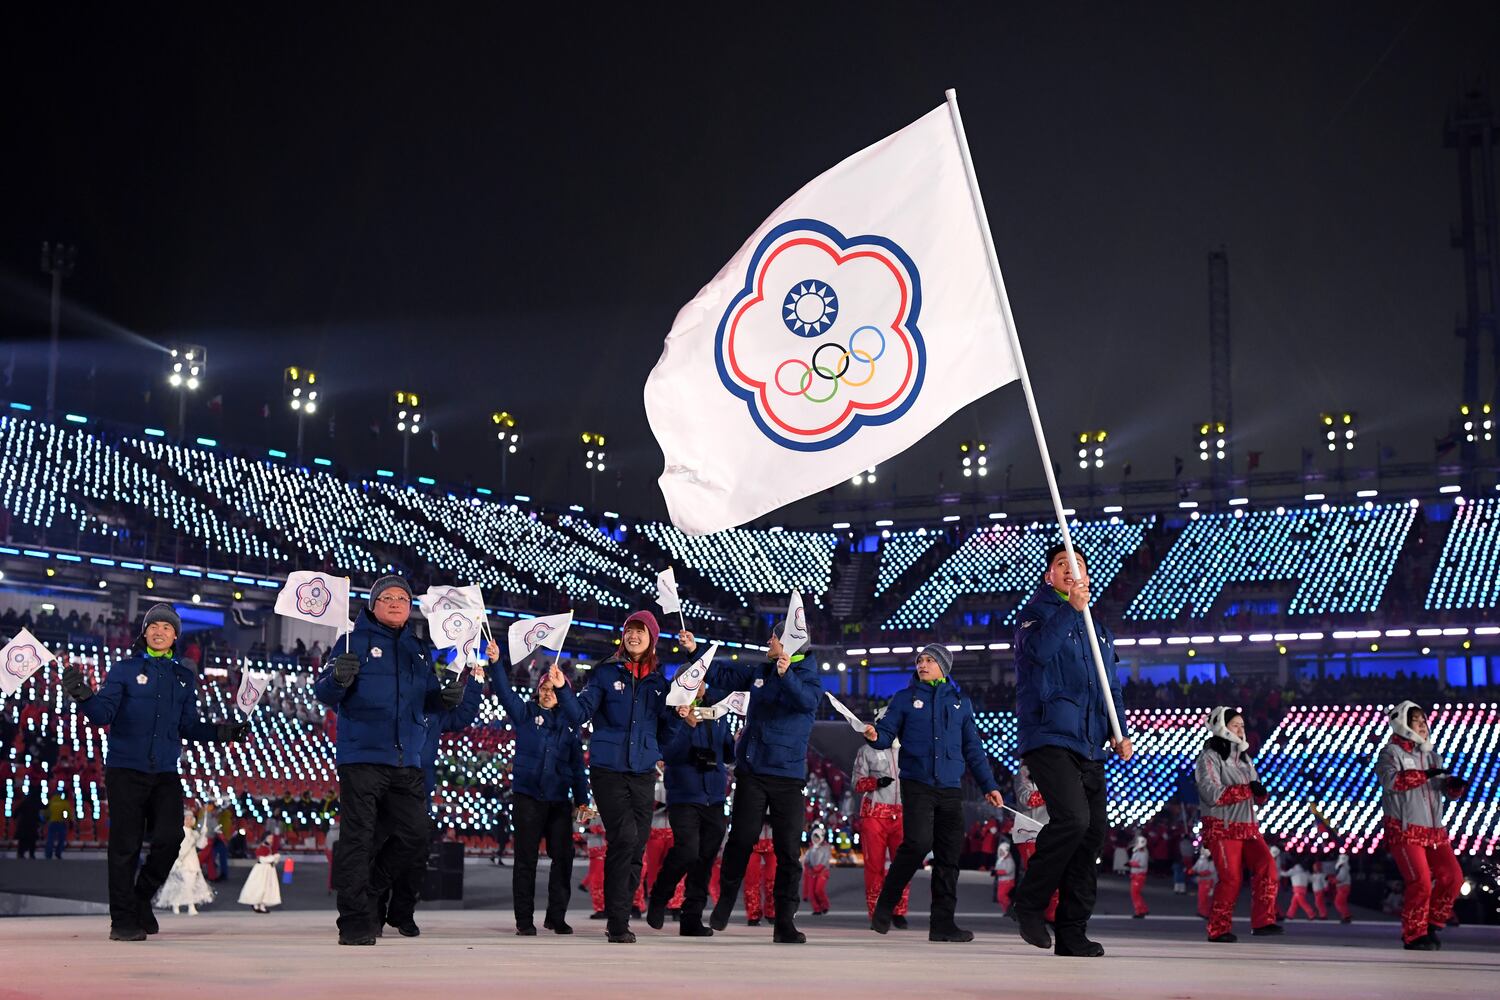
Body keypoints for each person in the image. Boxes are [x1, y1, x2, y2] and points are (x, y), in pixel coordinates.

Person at [62, 603, 249, 941]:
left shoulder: (183, 677)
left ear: (176, 635)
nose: (159, 631)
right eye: (153, 626)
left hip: (164, 771)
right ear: (144, 632)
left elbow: (189, 725)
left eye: (167, 626)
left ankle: (140, 897)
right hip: (125, 769)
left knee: (171, 838)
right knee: (125, 846)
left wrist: (224, 732)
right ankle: (122, 921)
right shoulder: (124, 670)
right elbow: (102, 714)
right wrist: (83, 695)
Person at [313, 575, 463, 946]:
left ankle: (369, 894)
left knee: (416, 835)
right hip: (362, 755)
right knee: (357, 840)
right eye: (388, 597)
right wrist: (338, 679)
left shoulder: (417, 648)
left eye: (402, 598)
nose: (396, 603)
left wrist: (443, 699)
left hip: (406, 758)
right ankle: (353, 921)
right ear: (373, 604)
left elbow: (427, 697)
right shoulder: (352, 641)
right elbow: (324, 692)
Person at [1010, 544, 1132, 958]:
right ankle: (1028, 903)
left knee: (1093, 834)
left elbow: (1110, 684)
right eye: (1061, 564)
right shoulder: (1036, 613)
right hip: (1048, 733)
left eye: (1076, 564)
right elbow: (1038, 654)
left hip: (1090, 740)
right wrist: (1068, 610)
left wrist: (1120, 730)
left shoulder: (1097, 628)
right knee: (1074, 819)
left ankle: (1072, 931)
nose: (1069, 569)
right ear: (1049, 576)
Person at [862, 644, 1004, 942]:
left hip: (950, 787)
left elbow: (973, 749)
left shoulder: (960, 703)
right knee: (917, 844)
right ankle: (885, 906)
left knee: (949, 856)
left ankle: (942, 924)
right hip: (918, 785)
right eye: (920, 660)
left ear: (943, 666)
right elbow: (885, 733)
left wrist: (989, 785)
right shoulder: (903, 699)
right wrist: (875, 735)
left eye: (929, 660)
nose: (922, 664)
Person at [553, 610, 676, 943]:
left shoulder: (660, 684)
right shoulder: (606, 674)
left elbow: (667, 731)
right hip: (608, 770)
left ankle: (619, 914)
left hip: (642, 772)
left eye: (641, 631)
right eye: (629, 630)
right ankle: (618, 921)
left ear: (652, 639)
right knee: (624, 838)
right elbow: (580, 714)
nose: (634, 636)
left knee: (635, 846)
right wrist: (564, 688)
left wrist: (678, 719)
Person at [701, 618, 821, 944]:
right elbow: (724, 674)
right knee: (740, 839)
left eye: (774, 637)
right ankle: (726, 901)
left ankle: (784, 922)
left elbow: (806, 702)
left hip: (788, 777)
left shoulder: (810, 678)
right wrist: (694, 651)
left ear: (790, 643)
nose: (769, 641)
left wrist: (786, 675)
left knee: (787, 852)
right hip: (752, 771)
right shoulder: (759, 671)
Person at [373, 647, 485, 938]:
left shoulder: (434, 713)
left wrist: (475, 679)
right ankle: (374, 912)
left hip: (419, 789)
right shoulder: (391, 705)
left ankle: (402, 913)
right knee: (380, 850)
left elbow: (464, 716)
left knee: (416, 854)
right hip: (384, 785)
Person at [493, 652, 590, 936]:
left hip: (559, 799)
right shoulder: (525, 714)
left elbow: (576, 767)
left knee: (564, 857)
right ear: (537, 692)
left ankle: (556, 917)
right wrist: (496, 663)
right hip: (528, 797)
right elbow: (502, 691)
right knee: (526, 859)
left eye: (552, 689)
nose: (547, 693)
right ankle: (524, 920)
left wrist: (582, 799)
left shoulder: (571, 726)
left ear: (562, 694)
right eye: (543, 688)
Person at [1375, 701, 1467, 951]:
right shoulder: (1390, 753)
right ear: (1403, 724)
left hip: (1435, 831)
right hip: (1404, 829)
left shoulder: (1432, 756)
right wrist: (1425, 775)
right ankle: (1414, 935)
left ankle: (1432, 924)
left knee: (1453, 877)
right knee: (1421, 882)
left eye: (1424, 721)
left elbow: (1442, 790)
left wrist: (1453, 786)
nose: (1424, 726)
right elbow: (1391, 781)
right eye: (1417, 722)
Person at [646, 694, 737, 937]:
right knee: (687, 851)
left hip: (715, 797)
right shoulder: (671, 713)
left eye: (702, 679)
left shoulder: (718, 711)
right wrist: (684, 725)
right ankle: (659, 897)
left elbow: (728, 755)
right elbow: (666, 752)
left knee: (705, 859)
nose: (698, 685)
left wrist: (737, 743)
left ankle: (692, 918)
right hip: (685, 795)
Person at [1195, 707, 1280, 942]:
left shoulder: (1245, 758)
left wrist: (1261, 795)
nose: (1241, 730)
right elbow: (1210, 793)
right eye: (1235, 725)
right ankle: (1218, 929)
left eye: (1243, 725)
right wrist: (1247, 790)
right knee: (1231, 879)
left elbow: (1256, 794)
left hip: (1248, 826)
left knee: (1268, 868)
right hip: (1222, 826)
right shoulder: (1208, 757)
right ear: (1222, 727)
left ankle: (1264, 921)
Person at [852, 723, 909, 927]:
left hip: (902, 814)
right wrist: (875, 782)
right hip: (875, 814)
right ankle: (876, 912)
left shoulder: (908, 749)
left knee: (902, 864)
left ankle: (899, 911)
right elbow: (856, 782)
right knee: (874, 866)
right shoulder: (866, 750)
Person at [1012, 763, 1057, 922]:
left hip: (1052, 830)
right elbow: (1028, 799)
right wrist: (1058, 788)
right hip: (1029, 831)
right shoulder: (1025, 771)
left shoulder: (1062, 769)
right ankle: (1027, 910)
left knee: (1056, 873)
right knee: (1036, 873)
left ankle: (1052, 914)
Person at [154, 810, 213, 915]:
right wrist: (177, 859)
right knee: (185, 885)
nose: (189, 821)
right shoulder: (179, 832)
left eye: (191, 819)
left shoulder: (194, 833)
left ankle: (178, 903)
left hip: (192, 862)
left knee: (188, 885)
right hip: (182, 862)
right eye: (187, 819)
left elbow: (200, 845)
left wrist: (203, 834)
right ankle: (189, 906)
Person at [743, 820, 777, 926]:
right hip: (752, 840)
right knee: (751, 880)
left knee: (773, 879)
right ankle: (753, 914)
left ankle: (772, 912)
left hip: (773, 840)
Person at [238, 835, 282, 913]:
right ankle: (256, 903)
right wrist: (273, 858)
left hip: (269, 870)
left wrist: (275, 858)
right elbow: (262, 859)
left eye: (272, 838)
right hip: (261, 870)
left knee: (267, 887)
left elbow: (274, 859)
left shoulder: (272, 848)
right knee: (259, 886)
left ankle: (262, 905)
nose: (271, 840)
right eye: (269, 838)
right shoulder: (261, 847)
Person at [802, 827, 831, 916]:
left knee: (818, 890)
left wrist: (818, 868)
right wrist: (807, 866)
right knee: (811, 892)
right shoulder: (811, 849)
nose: (815, 839)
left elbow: (825, 860)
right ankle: (816, 908)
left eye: (817, 837)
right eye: (814, 837)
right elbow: (806, 860)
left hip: (822, 872)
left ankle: (825, 905)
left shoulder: (825, 848)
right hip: (812, 872)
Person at [44, 781, 71, 859]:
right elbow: (68, 813)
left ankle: (48, 854)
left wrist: (45, 820)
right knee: (61, 839)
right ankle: (58, 853)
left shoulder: (50, 802)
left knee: (50, 839)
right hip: (61, 823)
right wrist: (69, 820)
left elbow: (46, 813)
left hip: (52, 822)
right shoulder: (64, 803)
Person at [1128, 834, 1149, 918]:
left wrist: (1132, 863)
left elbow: (1142, 864)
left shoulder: (1143, 853)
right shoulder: (1138, 852)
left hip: (1138, 875)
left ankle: (1139, 911)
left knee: (1135, 893)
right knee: (1136, 893)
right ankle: (1143, 909)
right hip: (1136, 875)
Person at [1192, 848, 1216, 919]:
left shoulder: (1211, 861)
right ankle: (1201, 912)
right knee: (1201, 897)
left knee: (1206, 898)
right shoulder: (1201, 860)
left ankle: (1206, 914)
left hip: (1209, 882)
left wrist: (1199, 873)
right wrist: (1191, 871)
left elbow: (1210, 871)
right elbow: (1195, 868)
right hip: (1202, 881)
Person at [994, 840, 1017, 912]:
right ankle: (1006, 910)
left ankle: (1009, 909)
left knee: (1002, 896)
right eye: (1000, 851)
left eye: (1002, 851)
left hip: (1008, 881)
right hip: (1002, 881)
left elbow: (1008, 870)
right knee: (1000, 897)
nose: (1001, 852)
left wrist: (997, 872)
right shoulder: (1001, 860)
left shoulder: (1009, 860)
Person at [1330, 851, 1353, 923]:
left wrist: (1333, 880)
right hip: (1343, 887)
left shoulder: (1343, 868)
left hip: (1343, 887)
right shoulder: (1344, 867)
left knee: (1338, 902)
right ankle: (1346, 916)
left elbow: (1340, 878)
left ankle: (1346, 915)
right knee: (1342, 903)